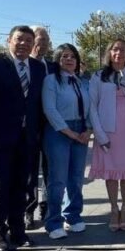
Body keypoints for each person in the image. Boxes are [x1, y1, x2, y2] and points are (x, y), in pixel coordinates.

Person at [0, 26, 46, 251]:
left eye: (29, 40)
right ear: (9, 40)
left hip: (27, 139)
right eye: (19, 39)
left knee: (21, 186)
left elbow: (38, 103)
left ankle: (18, 231)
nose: (24, 44)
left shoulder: (37, 68)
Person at [89, 39, 125, 231]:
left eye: (123, 50)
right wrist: (99, 133)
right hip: (108, 130)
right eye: (115, 49)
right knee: (112, 173)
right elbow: (92, 106)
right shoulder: (98, 76)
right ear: (109, 53)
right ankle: (114, 208)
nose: (119, 53)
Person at [42, 44, 91, 239]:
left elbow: (89, 107)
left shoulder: (80, 81)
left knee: (76, 177)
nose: (69, 59)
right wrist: (69, 132)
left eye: (72, 56)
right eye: (64, 56)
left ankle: (73, 215)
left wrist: (88, 129)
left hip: (81, 130)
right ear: (57, 60)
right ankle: (53, 221)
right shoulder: (51, 80)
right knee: (58, 179)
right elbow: (49, 109)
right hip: (59, 131)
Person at [27, 25, 56, 227]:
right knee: (29, 170)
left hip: (51, 127)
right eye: (39, 38)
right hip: (28, 127)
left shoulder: (53, 67)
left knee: (50, 169)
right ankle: (28, 209)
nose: (42, 43)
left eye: (46, 39)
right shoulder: (21, 66)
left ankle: (47, 207)